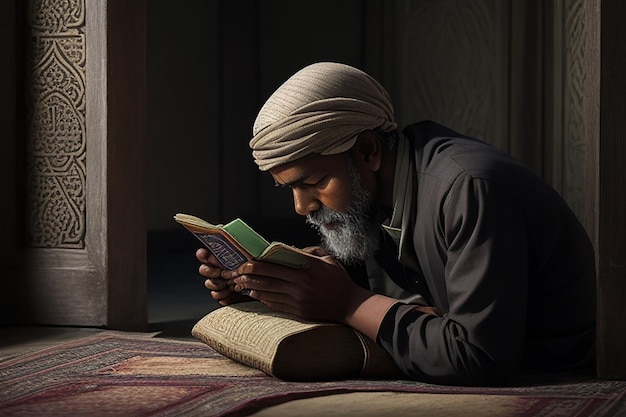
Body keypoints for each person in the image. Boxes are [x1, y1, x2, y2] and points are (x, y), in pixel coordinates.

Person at [196, 62, 596, 386]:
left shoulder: (468, 189)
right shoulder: (379, 189)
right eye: (289, 189)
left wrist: (344, 301)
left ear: (368, 150)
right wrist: (269, 283)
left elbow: (481, 357)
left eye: (314, 182)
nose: (302, 207)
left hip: (553, 363)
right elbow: (358, 278)